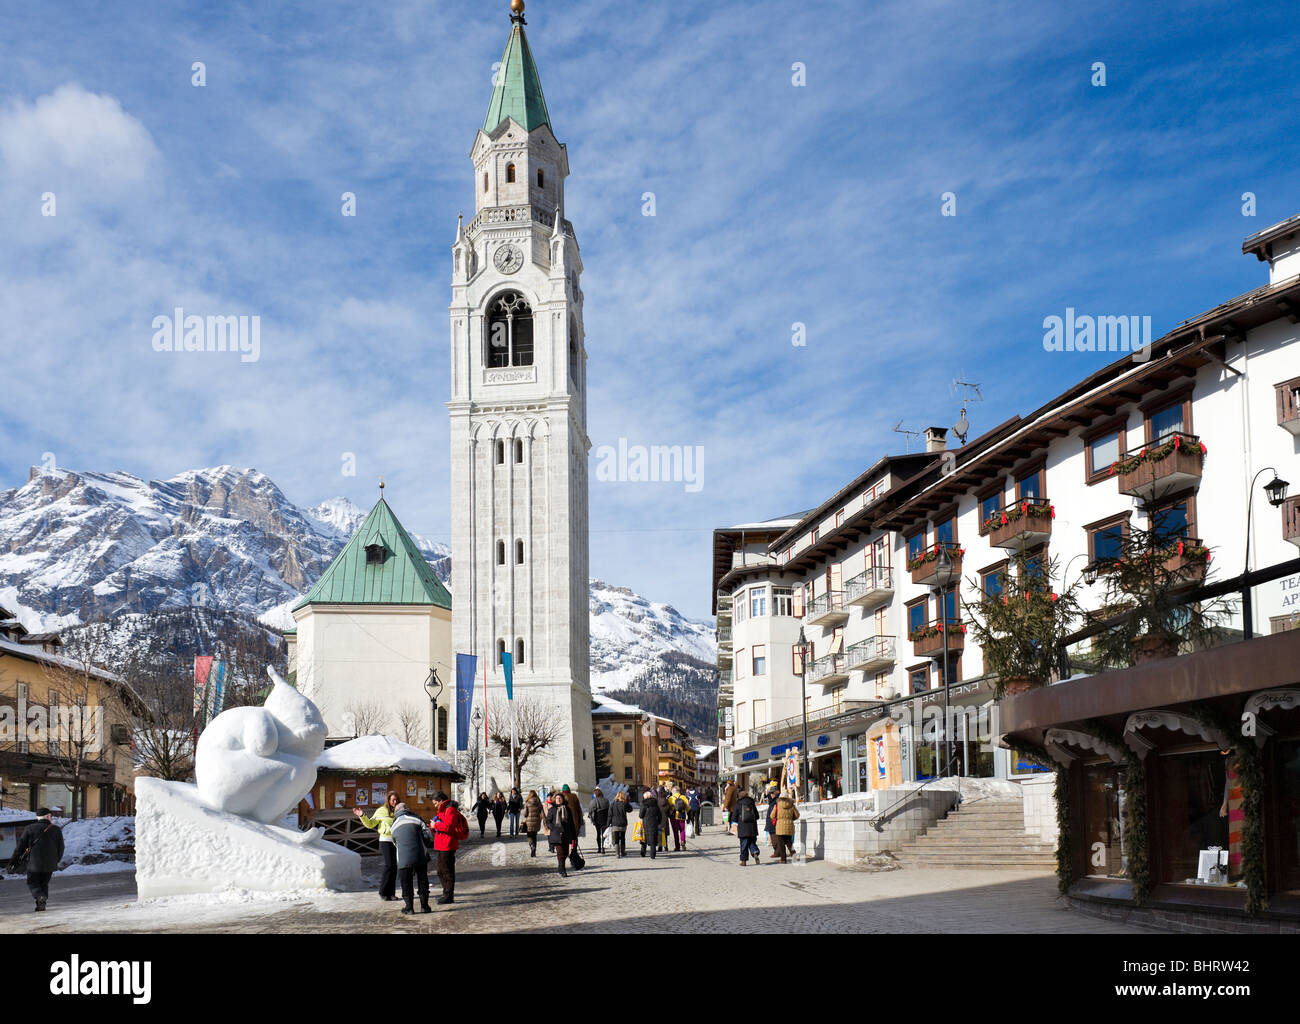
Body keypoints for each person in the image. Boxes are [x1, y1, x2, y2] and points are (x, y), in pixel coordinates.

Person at [10, 808, 64, 912]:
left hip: (34, 863)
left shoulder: (30, 828)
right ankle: (41, 904)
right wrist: (56, 860)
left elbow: (20, 847)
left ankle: (40, 897)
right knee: (44, 883)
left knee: (32, 882)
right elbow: (61, 847)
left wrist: (13, 861)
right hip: (50, 863)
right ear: (48, 816)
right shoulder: (56, 829)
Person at [354, 790, 400, 901]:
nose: (395, 802)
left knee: (394, 867)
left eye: (396, 800)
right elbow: (370, 824)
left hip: (396, 841)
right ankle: (383, 892)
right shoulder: (381, 811)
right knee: (389, 865)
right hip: (385, 840)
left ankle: (391, 893)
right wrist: (362, 816)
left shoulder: (399, 810)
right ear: (388, 800)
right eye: (393, 800)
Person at [390, 802, 433, 914]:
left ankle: (409, 908)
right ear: (407, 809)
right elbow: (428, 834)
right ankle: (425, 907)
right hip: (420, 855)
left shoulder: (393, 825)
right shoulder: (417, 819)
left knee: (406, 883)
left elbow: (395, 842)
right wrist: (425, 843)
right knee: (423, 880)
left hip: (403, 859)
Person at [431, 792, 470, 905]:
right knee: (440, 871)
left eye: (435, 803)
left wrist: (435, 825)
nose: (435, 806)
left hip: (448, 845)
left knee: (447, 871)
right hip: (442, 844)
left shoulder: (450, 810)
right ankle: (446, 893)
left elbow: (449, 827)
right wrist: (432, 826)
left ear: (441, 801)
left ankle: (448, 895)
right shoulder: (444, 810)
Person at [545, 791, 577, 877]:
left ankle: (560, 866)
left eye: (560, 798)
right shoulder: (552, 810)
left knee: (566, 852)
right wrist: (553, 828)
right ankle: (563, 869)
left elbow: (571, 823)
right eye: (557, 798)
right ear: (554, 800)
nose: (558, 800)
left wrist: (573, 835)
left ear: (563, 799)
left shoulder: (567, 809)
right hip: (556, 834)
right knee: (560, 852)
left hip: (566, 834)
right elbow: (547, 821)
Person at [733, 789, 760, 866]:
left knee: (744, 844)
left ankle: (743, 861)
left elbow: (734, 817)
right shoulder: (752, 803)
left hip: (743, 827)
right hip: (752, 827)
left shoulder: (738, 804)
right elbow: (757, 816)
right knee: (752, 842)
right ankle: (755, 851)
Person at [773, 790, 800, 864]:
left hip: (780, 826)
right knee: (789, 842)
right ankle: (794, 855)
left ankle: (783, 859)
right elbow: (797, 815)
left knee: (781, 844)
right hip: (789, 826)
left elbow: (772, 816)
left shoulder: (777, 805)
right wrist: (791, 819)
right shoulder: (792, 805)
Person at [638, 790, 662, 860]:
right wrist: (659, 822)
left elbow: (641, 815)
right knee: (653, 839)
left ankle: (643, 852)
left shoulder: (644, 804)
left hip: (645, 823)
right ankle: (653, 855)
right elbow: (659, 815)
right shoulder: (655, 804)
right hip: (654, 823)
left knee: (644, 838)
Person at [588, 786, 610, 854]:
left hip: (597, 819)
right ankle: (603, 848)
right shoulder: (606, 800)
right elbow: (608, 809)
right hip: (605, 818)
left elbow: (590, 810)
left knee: (598, 834)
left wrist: (590, 817)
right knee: (603, 833)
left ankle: (599, 848)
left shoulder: (593, 801)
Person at [608, 790, 630, 858]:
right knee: (623, 838)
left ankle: (617, 853)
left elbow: (610, 815)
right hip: (623, 823)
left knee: (616, 838)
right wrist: (627, 802)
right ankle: (623, 852)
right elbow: (630, 809)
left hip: (615, 823)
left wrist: (608, 823)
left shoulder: (613, 804)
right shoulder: (624, 803)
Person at [523, 789, 544, 856]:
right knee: (534, 836)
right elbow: (542, 812)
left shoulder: (527, 802)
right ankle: (534, 851)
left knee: (529, 836)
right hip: (537, 821)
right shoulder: (539, 802)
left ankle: (531, 845)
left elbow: (525, 814)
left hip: (529, 822)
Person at [655, 786, 672, 852]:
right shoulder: (666, 800)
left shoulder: (656, 800)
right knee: (664, 833)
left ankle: (660, 846)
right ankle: (665, 846)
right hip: (665, 819)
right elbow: (669, 810)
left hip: (658, 819)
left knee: (659, 833)